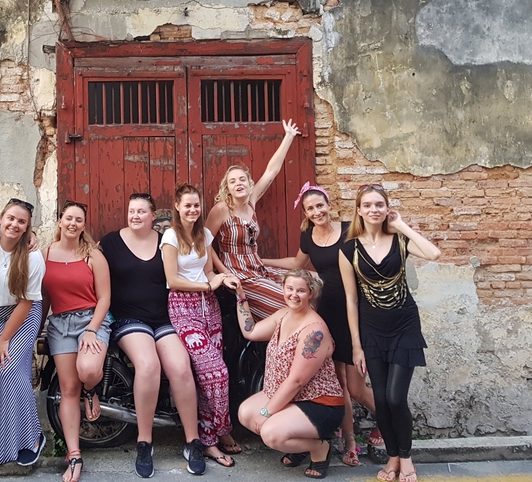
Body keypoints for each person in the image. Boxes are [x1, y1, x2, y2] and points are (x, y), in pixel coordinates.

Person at [260, 182, 379, 467]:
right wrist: (261, 261)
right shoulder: (308, 236)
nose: (316, 212)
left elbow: (375, 255)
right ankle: (349, 442)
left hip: (355, 311)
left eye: (320, 206)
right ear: (305, 212)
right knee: (339, 384)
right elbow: (296, 262)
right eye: (310, 208)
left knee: (356, 387)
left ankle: (391, 421)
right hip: (327, 312)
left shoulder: (351, 230)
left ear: (329, 205)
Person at [339, 185, 442, 482]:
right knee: (382, 401)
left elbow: (434, 253)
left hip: (404, 326)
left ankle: (406, 457)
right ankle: (393, 457)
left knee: (396, 398)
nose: (374, 210)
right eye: (367, 205)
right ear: (359, 210)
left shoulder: (399, 240)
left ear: (387, 209)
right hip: (372, 330)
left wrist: (402, 225)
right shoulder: (348, 250)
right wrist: (356, 346)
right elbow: (351, 300)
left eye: (379, 205)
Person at [100, 193, 204, 478]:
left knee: (181, 367)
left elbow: (194, 262)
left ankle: (193, 441)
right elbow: (86, 257)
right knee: (148, 366)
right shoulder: (111, 242)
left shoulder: (166, 241)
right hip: (128, 318)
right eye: (131, 211)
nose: (135, 216)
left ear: (153, 215)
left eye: (141, 212)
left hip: (164, 318)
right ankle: (144, 442)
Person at [233, 269, 345, 480]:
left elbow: (297, 380)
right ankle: (300, 444)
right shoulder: (283, 315)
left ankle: (319, 448)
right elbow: (251, 331)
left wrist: (267, 412)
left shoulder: (314, 331)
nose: (294, 295)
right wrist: (240, 295)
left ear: (310, 293)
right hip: (293, 397)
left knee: (271, 434)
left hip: (319, 403)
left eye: (301, 290)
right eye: (290, 288)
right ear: (283, 289)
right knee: (245, 413)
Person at [161, 183, 238, 470]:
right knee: (216, 373)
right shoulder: (170, 236)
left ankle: (214, 433)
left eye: (196, 205)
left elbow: (208, 270)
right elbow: (172, 280)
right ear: (177, 206)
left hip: (210, 308)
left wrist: (223, 279)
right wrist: (207, 285)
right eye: (188, 205)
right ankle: (215, 435)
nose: (193, 210)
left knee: (209, 376)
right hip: (183, 308)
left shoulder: (204, 234)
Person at [42, 201, 112, 482]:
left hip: (92, 320)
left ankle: (91, 390)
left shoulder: (93, 255)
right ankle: (74, 455)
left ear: (84, 225)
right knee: (68, 388)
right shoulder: (45, 254)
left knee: (88, 370)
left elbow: (104, 298)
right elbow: (44, 298)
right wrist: (36, 329)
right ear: (60, 221)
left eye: (78, 220)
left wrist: (92, 330)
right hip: (60, 324)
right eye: (68, 218)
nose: (73, 223)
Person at [206, 119, 301, 321]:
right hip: (240, 275)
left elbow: (271, 171)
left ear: (249, 184)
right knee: (289, 301)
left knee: (309, 285)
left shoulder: (251, 202)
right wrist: (224, 273)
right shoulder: (221, 209)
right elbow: (203, 242)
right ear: (227, 189)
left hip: (259, 269)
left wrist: (289, 136)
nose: (238, 183)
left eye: (242, 179)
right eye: (232, 181)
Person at [0, 198, 47, 467]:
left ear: (28, 228)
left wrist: (4, 340)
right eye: (10, 218)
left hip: (22, 316)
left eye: (22, 222)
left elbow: (26, 303)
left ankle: (32, 438)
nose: (14, 224)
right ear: (0, 218)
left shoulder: (33, 257)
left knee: (7, 369)